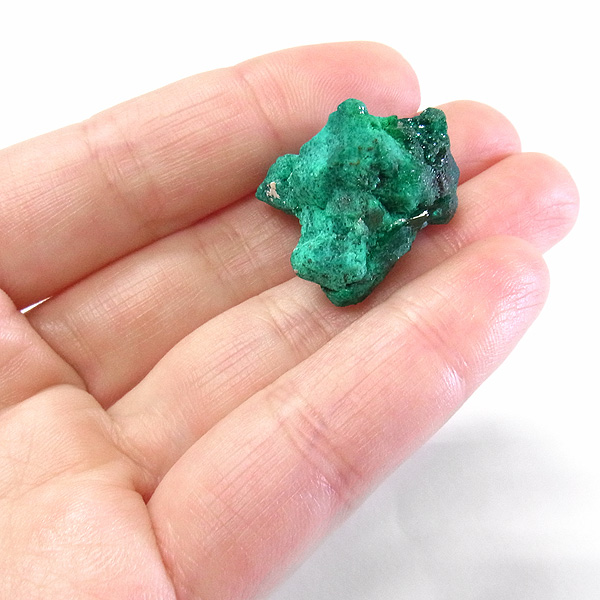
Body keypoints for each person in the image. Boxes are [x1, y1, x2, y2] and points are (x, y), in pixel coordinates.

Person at [0, 42, 578, 599]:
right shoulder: (331, 180)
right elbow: (296, 188)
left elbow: (362, 204)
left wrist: (399, 208)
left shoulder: (380, 184)